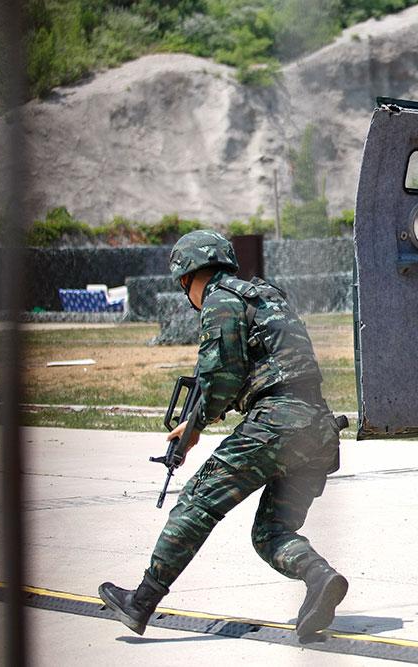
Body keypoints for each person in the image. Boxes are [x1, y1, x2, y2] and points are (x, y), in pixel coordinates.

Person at [99, 230, 347, 641]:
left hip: (276, 424)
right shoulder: (265, 294)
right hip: (319, 429)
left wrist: (193, 428)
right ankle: (320, 578)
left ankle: (141, 601)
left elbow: (221, 378)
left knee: (197, 500)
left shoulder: (219, 299)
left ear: (187, 277)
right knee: (272, 532)